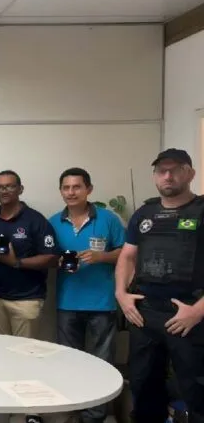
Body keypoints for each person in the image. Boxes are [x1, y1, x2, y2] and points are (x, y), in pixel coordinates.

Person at [115, 149, 204, 423]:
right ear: (155, 176)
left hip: (190, 314)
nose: (167, 176)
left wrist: (198, 311)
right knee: (143, 386)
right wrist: (121, 294)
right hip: (146, 314)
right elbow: (127, 256)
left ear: (190, 173)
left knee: (195, 389)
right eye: (161, 171)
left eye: (174, 169)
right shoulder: (144, 213)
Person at [0, 170, 58, 423]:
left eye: (10, 186)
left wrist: (17, 262)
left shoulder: (36, 220)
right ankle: (2, 404)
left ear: (20, 189)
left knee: (26, 354)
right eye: (0, 187)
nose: (5, 191)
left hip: (26, 298)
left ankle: (30, 411)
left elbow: (51, 257)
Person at [48, 168, 125, 423]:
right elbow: (45, 255)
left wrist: (103, 256)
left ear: (88, 189)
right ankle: (71, 411)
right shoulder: (52, 222)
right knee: (69, 362)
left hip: (102, 302)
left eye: (77, 187)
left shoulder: (108, 219)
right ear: (61, 191)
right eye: (66, 187)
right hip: (67, 302)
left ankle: (95, 416)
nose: (71, 192)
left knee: (103, 363)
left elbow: (127, 253)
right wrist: (56, 261)